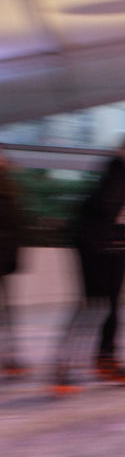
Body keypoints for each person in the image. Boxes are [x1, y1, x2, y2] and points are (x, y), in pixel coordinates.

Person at [54, 135, 125, 394]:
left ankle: (103, 358)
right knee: (96, 305)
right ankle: (69, 364)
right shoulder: (122, 172)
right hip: (101, 248)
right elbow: (106, 207)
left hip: (104, 247)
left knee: (108, 305)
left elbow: (114, 211)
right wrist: (115, 236)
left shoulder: (120, 173)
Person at [0, 148, 30, 377]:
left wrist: (15, 255)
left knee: (8, 310)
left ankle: (11, 355)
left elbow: (16, 227)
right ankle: (11, 356)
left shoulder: (9, 188)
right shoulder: (8, 189)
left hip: (4, 255)